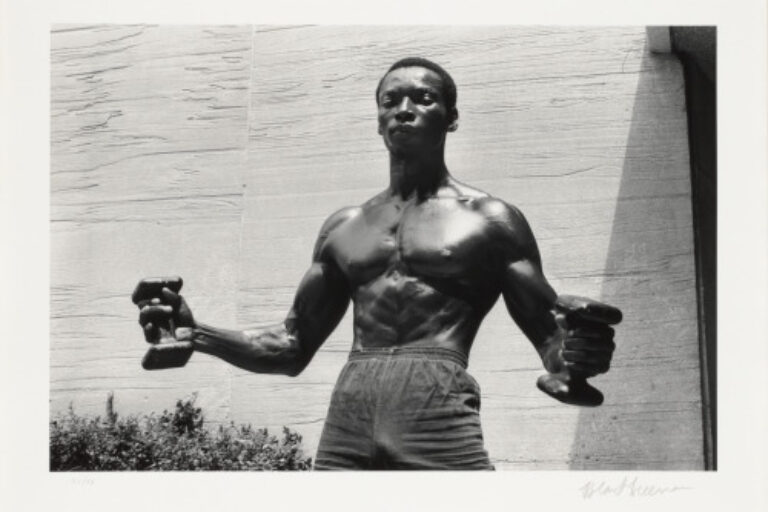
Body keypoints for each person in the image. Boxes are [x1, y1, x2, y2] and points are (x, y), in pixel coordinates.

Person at [136, 57, 617, 470]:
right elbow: (291, 345)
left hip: (436, 402)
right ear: (378, 118)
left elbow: (550, 338)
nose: (404, 111)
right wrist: (197, 335)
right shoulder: (344, 227)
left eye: (423, 99)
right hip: (351, 408)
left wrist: (576, 357)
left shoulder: (491, 219)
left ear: (451, 117)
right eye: (391, 101)